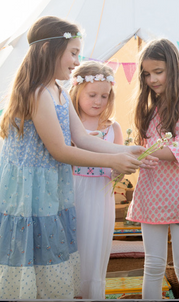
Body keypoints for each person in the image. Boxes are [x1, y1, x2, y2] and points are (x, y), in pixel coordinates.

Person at [0, 16, 154, 300]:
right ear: (49, 51)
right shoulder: (38, 93)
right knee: (30, 255)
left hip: (48, 186)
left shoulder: (59, 92)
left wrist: (126, 151)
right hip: (28, 191)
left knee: (48, 255)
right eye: (74, 53)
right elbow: (61, 150)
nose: (77, 61)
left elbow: (81, 139)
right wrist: (111, 162)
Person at [126, 38, 179, 300]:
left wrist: (141, 152)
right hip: (151, 196)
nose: (152, 79)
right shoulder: (148, 110)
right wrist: (135, 156)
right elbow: (147, 153)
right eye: (147, 74)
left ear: (177, 67)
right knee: (153, 266)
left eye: (158, 72)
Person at [68, 61, 123, 299]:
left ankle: (91, 294)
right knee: (73, 246)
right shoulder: (68, 124)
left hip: (100, 197)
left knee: (95, 248)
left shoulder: (113, 128)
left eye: (104, 95)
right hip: (72, 193)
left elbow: (119, 169)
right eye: (92, 95)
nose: (98, 101)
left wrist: (124, 169)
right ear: (77, 91)